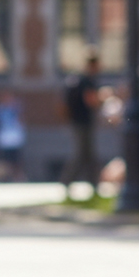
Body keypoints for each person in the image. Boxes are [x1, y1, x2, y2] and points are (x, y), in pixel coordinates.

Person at [61, 49, 101, 191]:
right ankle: (67, 182)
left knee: (87, 154)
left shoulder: (78, 79)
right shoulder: (87, 81)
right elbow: (91, 101)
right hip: (83, 122)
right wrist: (103, 98)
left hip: (77, 121)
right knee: (82, 154)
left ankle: (94, 184)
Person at [0, 92, 26, 181]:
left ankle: (18, 176)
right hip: (4, 139)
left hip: (15, 138)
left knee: (16, 159)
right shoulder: (0, 110)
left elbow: (20, 121)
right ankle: (5, 176)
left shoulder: (15, 108)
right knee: (4, 160)